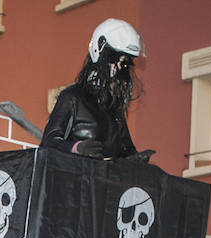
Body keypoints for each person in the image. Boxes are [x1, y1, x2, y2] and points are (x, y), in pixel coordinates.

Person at [42, 18, 150, 161]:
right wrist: (76, 148)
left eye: (124, 63)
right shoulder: (72, 97)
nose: (117, 67)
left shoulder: (113, 107)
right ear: (99, 51)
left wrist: (136, 160)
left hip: (104, 181)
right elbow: (48, 143)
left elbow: (126, 149)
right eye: (114, 58)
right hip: (73, 179)